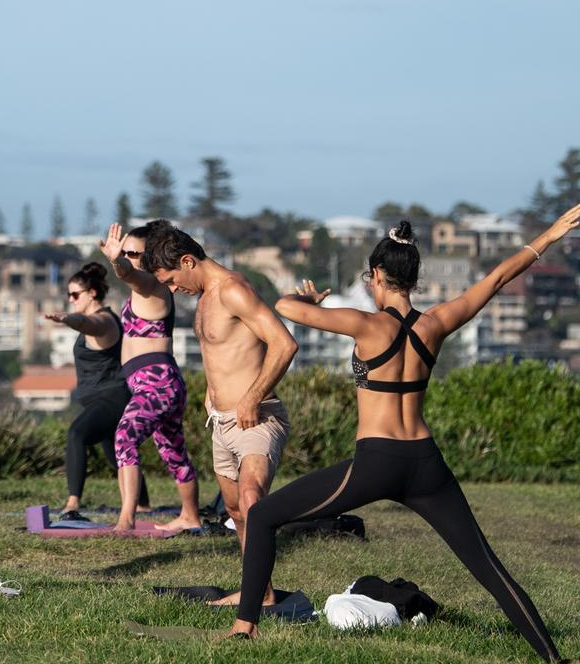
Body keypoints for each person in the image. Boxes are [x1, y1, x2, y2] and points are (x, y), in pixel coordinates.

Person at [225, 211, 580, 663]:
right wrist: (548, 235)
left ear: (376, 275)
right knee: (489, 569)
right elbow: (497, 278)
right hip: (425, 464)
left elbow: (284, 308)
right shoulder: (436, 324)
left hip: (376, 462)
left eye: (370, 279)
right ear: (412, 277)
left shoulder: (366, 325)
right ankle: (553, 659)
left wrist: (306, 298)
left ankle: (244, 629)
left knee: (264, 515)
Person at [145, 219, 298, 606]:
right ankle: (258, 593)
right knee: (234, 509)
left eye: (171, 279)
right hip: (221, 422)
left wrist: (251, 397)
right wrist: (213, 395)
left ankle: (256, 599)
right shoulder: (204, 297)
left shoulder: (233, 290)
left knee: (251, 499)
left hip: (256, 417)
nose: (171, 289)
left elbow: (283, 344)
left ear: (187, 261)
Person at [98, 222, 201, 533]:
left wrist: (117, 262)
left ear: (148, 257)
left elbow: (128, 274)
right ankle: (191, 516)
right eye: (125, 250)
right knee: (173, 452)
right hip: (160, 384)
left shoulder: (151, 286)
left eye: (133, 252)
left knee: (124, 438)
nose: (127, 256)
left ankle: (126, 519)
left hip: (155, 384)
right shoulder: (145, 291)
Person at [43, 262, 150, 519]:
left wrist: (68, 319)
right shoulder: (96, 320)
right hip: (99, 400)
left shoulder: (104, 321)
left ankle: (72, 503)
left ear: (92, 293)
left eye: (75, 294)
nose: (71, 300)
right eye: (68, 295)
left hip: (113, 397)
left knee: (76, 433)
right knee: (117, 454)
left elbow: (87, 324)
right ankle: (143, 504)